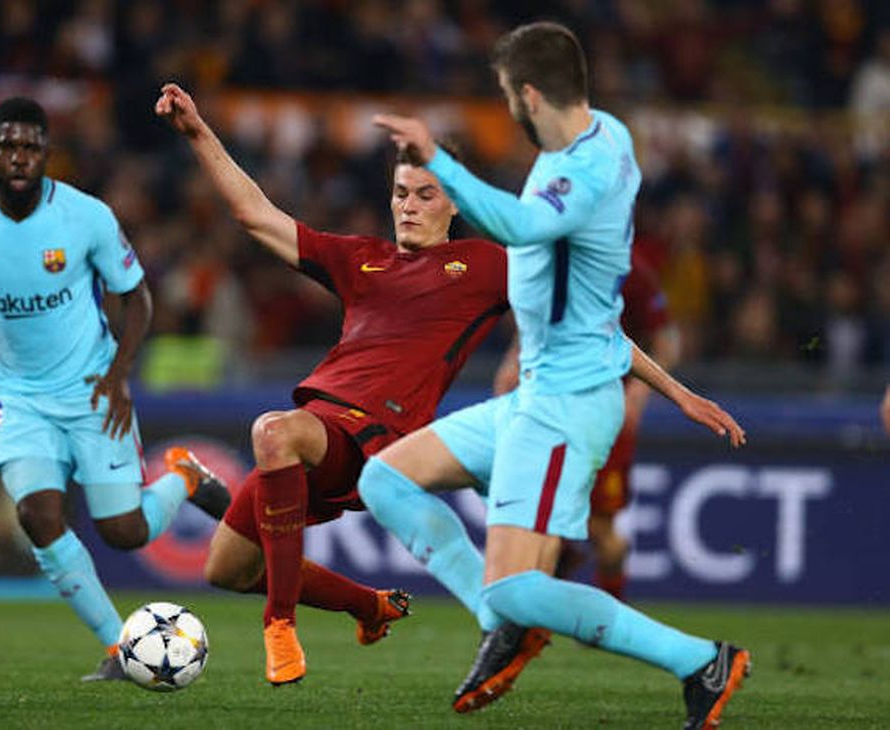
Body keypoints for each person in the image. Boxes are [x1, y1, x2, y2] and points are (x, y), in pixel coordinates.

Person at [366, 22, 750, 728]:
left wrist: (438, 161)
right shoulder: (606, 137)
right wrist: (678, 391)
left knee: (518, 587)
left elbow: (518, 226)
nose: (508, 107)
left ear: (530, 95)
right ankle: (503, 624)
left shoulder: (583, 172)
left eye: (508, 94)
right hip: (539, 393)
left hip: (565, 408)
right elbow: (598, 316)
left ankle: (701, 660)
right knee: (384, 480)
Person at [155, 83, 513, 686]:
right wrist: (197, 132)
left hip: (377, 441)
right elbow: (256, 216)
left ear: (456, 202)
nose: (409, 206)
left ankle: (280, 625)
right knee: (226, 569)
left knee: (274, 432)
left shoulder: (485, 265)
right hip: (320, 429)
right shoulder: (362, 259)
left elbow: (574, 306)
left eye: (426, 195)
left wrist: (666, 388)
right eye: (401, 193)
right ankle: (369, 606)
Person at [0, 97, 230, 682]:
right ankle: (119, 647)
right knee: (37, 516)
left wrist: (120, 374)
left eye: (30, 147)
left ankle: (185, 476)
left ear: (46, 154)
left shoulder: (86, 217)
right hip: (19, 398)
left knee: (124, 532)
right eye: (8, 146)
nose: (19, 157)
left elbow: (136, 297)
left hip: (93, 390)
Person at [494, 248, 679, 601]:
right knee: (538, 520)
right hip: (549, 406)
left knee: (600, 530)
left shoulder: (631, 271)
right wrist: (512, 362)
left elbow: (668, 341)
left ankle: (608, 607)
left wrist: (639, 392)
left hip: (603, 414)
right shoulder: (551, 261)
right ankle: (543, 603)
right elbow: (537, 322)